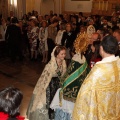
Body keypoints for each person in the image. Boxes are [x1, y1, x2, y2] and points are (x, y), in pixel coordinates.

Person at [73, 35, 120, 120]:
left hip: (102, 115)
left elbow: (84, 95)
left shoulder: (99, 70)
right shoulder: (118, 64)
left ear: (101, 48)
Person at [50, 32, 90, 120]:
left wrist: (62, 82)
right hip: (80, 89)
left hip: (70, 90)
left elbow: (69, 72)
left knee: (65, 107)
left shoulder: (75, 58)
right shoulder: (84, 59)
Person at [27, 45, 67, 120]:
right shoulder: (50, 65)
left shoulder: (64, 62)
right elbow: (44, 78)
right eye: (62, 54)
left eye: (64, 53)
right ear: (56, 54)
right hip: (50, 86)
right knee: (48, 103)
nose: (64, 55)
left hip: (58, 86)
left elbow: (63, 74)